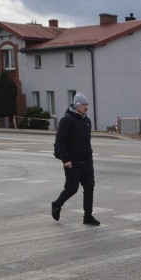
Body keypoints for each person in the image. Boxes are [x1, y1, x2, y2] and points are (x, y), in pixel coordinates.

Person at [51, 93, 100, 226]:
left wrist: (90, 157)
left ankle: (88, 216)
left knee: (89, 187)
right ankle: (57, 204)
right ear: (77, 105)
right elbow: (60, 141)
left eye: (87, 104)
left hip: (86, 162)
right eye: (83, 105)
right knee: (72, 189)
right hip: (72, 163)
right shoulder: (67, 120)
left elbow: (87, 142)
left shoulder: (87, 121)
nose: (86, 107)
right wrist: (66, 160)